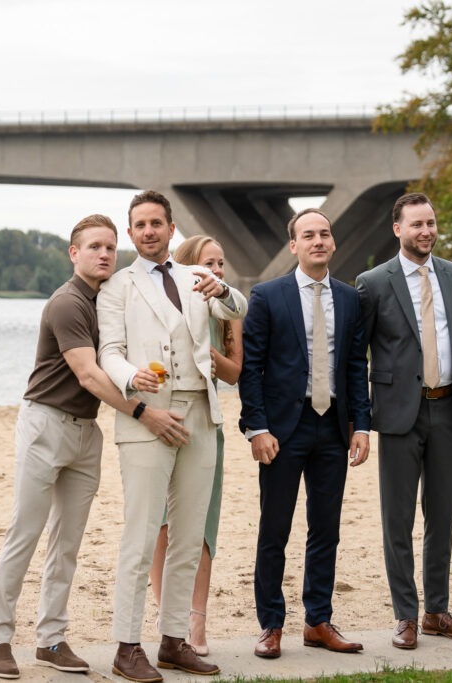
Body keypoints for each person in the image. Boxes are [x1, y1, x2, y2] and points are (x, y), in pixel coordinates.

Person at [0, 215, 190, 679]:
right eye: (94, 246)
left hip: (86, 431)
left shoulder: (110, 300)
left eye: (111, 247)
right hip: (45, 425)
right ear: (74, 253)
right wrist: (143, 412)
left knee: (67, 542)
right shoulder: (68, 302)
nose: (104, 254)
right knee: (26, 533)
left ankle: (51, 639)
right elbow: (90, 374)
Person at [97, 190, 247, 682]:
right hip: (148, 415)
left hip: (201, 411)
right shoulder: (117, 286)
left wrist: (221, 291)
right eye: (139, 224)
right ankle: (126, 646)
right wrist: (130, 377)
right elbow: (109, 352)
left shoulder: (196, 278)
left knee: (188, 535)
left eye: (156, 223)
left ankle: (174, 640)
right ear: (131, 230)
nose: (148, 231)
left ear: (170, 227)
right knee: (141, 535)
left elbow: (236, 307)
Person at [355, 192, 452, 651]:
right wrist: (359, 419)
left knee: (443, 515)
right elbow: (356, 356)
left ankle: (437, 611)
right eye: (417, 224)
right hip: (398, 413)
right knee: (397, 521)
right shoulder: (373, 281)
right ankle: (406, 616)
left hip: (449, 409)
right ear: (397, 229)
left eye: (431, 223)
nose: (427, 231)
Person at [238, 208, 371, 660]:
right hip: (280, 431)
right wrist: (256, 428)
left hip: (333, 428)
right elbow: (251, 368)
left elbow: (356, 366)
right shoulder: (268, 296)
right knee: (274, 529)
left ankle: (317, 621)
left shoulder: (351, 299)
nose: (319, 240)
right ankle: (271, 624)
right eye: (308, 235)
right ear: (293, 245)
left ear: (332, 244)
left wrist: (362, 426)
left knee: (325, 530)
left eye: (325, 234)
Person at [148, 235, 243, 657]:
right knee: (162, 523)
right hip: (163, 419)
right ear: (188, 268)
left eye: (221, 263)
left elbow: (235, 372)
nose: (218, 271)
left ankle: (196, 619)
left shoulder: (228, 311)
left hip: (208, 422)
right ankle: (163, 612)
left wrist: (204, 351)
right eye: (210, 263)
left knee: (203, 527)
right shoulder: (164, 305)